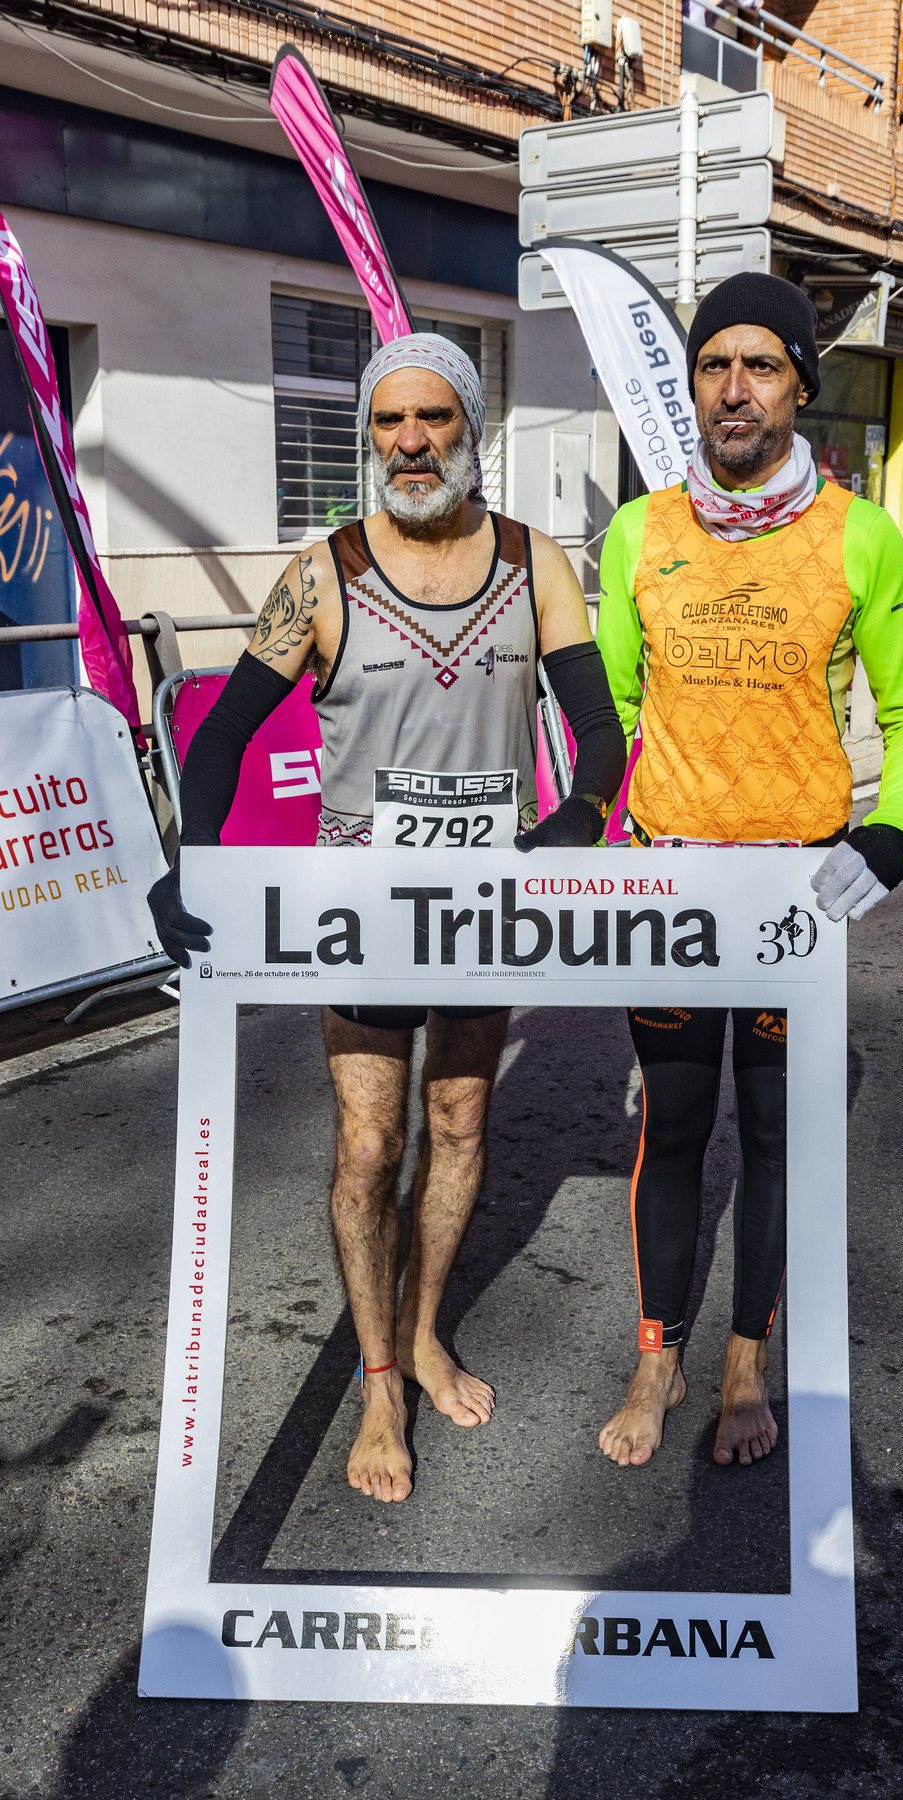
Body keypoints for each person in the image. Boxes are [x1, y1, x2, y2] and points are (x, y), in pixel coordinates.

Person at [148, 334, 626, 1504]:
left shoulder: (537, 562)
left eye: (436, 419)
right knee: (372, 1145)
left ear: (471, 427)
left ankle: (421, 1332)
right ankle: (377, 1381)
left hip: (481, 907)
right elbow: (219, 737)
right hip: (360, 909)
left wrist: (575, 817)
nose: (412, 442)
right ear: (370, 435)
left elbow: (599, 735)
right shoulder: (322, 573)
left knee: (459, 1123)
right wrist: (194, 867)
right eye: (389, 422)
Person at [594, 271, 903, 1470]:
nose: (733, 387)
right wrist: (590, 846)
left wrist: (888, 833)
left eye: (760, 364)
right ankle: (658, 1355)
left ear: (801, 382)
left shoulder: (861, 534)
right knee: (678, 1126)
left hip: (797, 892)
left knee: (779, 1134)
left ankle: (747, 1362)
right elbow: (606, 716)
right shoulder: (642, 532)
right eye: (712, 365)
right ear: (692, 384)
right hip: (677, 893)